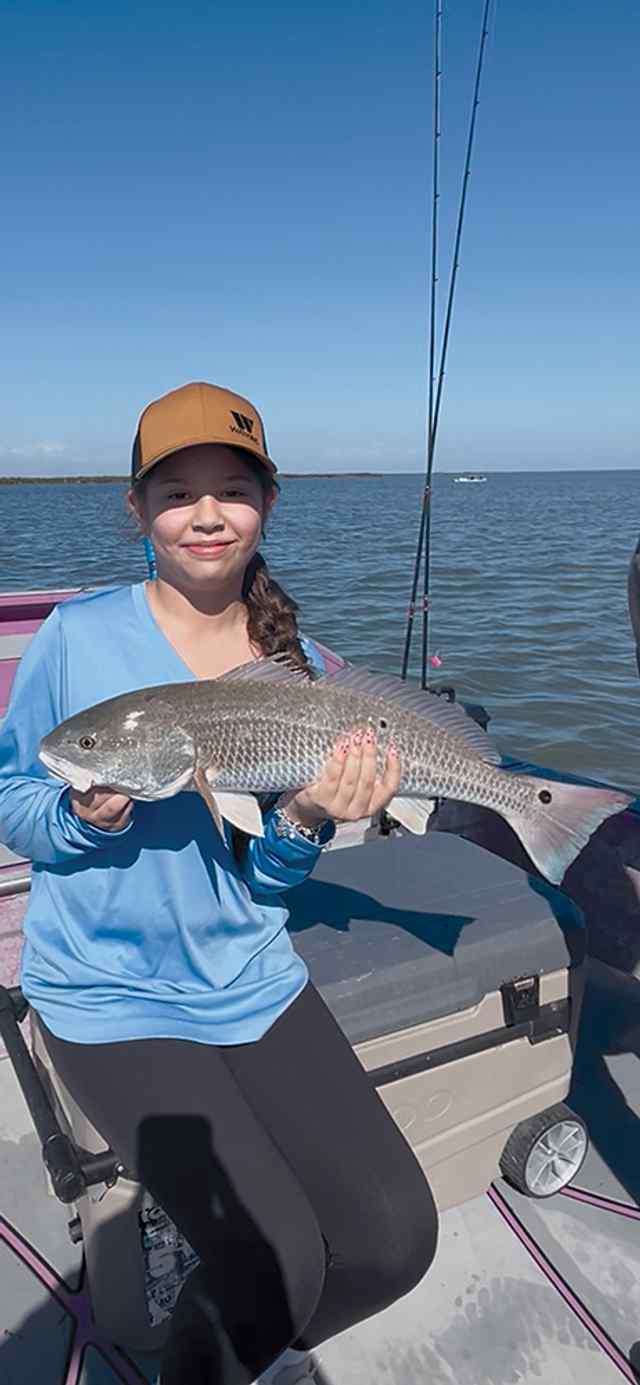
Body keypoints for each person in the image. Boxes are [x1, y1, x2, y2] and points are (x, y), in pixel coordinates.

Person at [0, 382, 438, 1385]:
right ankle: (223, 1345)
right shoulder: (75, 635)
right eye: (176, 491)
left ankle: (242, 1346)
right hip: (108, 998)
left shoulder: (301, 666)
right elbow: (14, 789)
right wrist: (75, 814)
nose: (205, 513)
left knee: (393, 1240)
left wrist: (309, 815)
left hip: (247, 977)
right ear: (137, 510)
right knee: (271, 1256)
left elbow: (268, 876)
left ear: (268, 504)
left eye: (231, 489)